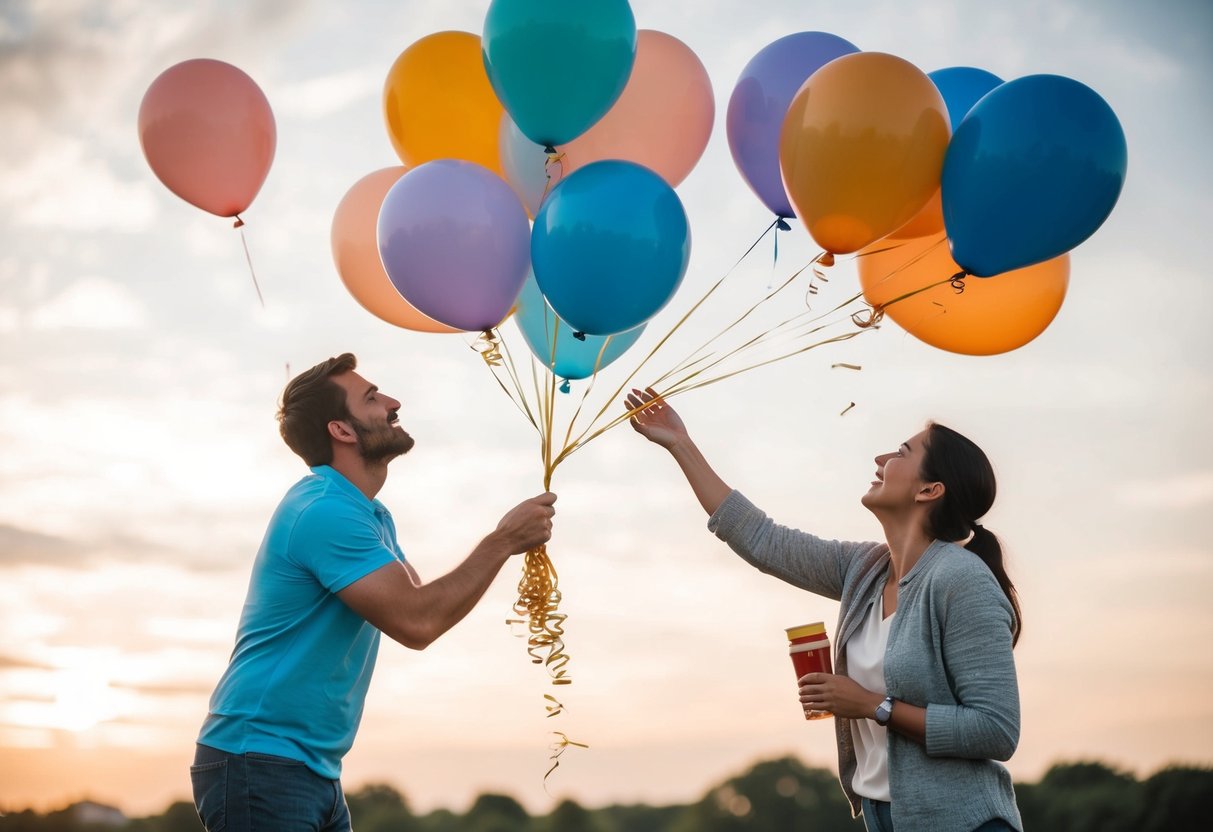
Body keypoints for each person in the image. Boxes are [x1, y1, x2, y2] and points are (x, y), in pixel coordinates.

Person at [626, 387, 1022, 832]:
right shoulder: (865, 569)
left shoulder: (960, 580)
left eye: (901, 453)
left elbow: (996, 730)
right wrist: (681, 444)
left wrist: (874, 706)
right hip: (885, 819)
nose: (880, 459)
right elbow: (762, 539)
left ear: (929, 489)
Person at [191, 353, 556, 832]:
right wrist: (503, 541)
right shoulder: (325, 511)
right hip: (259, 759)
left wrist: (504, 544)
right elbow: (417, 620)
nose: (393, 403)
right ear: (341, 431)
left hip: (305, 767)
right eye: (372, 398)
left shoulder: (369, 514)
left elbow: (426, 609)